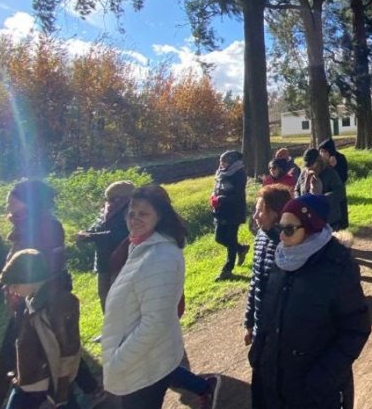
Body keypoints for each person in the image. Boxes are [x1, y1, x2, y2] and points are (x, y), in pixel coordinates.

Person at [0, 180, 105, 409]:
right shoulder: (24, 226)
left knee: (36, 349)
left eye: (12, 203)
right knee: (54, 345)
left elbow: (41, 264)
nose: (7, 208)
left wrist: (25, 291)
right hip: (29, 296)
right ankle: (84, 390)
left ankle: (57, 394)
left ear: (29, 203)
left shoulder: (44, 227)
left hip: (40, 298)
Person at [101, 185, 219, 408]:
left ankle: (205, 387)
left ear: (160, 216)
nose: (135, 219)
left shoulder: (160, 257)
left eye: (143, 214)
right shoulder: (140, 245)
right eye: (131, 213)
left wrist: (118, 361)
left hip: (143, 364)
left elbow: (155, 322)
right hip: (144, 360)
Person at [251, 194, 371, 408]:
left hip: (315, 395)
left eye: (289, 229)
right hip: (273, 384)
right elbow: (269, 313)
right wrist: (258, 353)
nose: (281, 236)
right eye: (280, 228)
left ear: (310, 229)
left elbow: (356, 329)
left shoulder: (337, 268)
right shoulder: (282, 259)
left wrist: (320, 381)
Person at [0, 249, 81, 409]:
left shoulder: (59, 303)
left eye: (14, 285)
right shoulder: (32, 301)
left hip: (43, 382)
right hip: (32, 379)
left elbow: (68, 353)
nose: (12, 290)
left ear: (30, 279)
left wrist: (60, 392)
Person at [244, 184, 293, 409]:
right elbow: (255, 283)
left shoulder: (289, 244)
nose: (255, 216)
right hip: (261, 330)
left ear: (276, 212)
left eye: (260, 210)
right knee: (260, 389)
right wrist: (249, 322)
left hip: (281, 335)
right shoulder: (261, 237)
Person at [75, 180, 133, 314]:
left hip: (122, 260)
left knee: (119, 296)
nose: (110, 202)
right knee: (104, 295)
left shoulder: (130, 212)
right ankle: (109, 324)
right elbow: (97, 227)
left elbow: (121, 234)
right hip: (103, 261)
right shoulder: (107, 210)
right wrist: (85, 234)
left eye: (114, 198)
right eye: (109, 199)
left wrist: (93, 236)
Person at [211, 149, 250, 280]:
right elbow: (217, 188)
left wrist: (220, 199)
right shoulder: (220, 172)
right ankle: (241, 249)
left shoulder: (239, 174)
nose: (221, 164)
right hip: (220, 211)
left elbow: (238, 195)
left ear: (232, 162)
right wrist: (213, 197)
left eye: (224, 162)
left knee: (230, 238)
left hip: (234, 212)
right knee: (219, 238)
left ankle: (227, 269)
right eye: (221, 162)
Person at [296, 147, 349, 230]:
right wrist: (299, 200)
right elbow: (297, 189)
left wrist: (323, 199)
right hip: (310, 218)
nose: (309, 167)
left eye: (311, 164)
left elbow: (340, 192)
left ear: (318, 161)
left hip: (329, 220)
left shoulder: (330, 173)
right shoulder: (303, 173)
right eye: (307, 164)